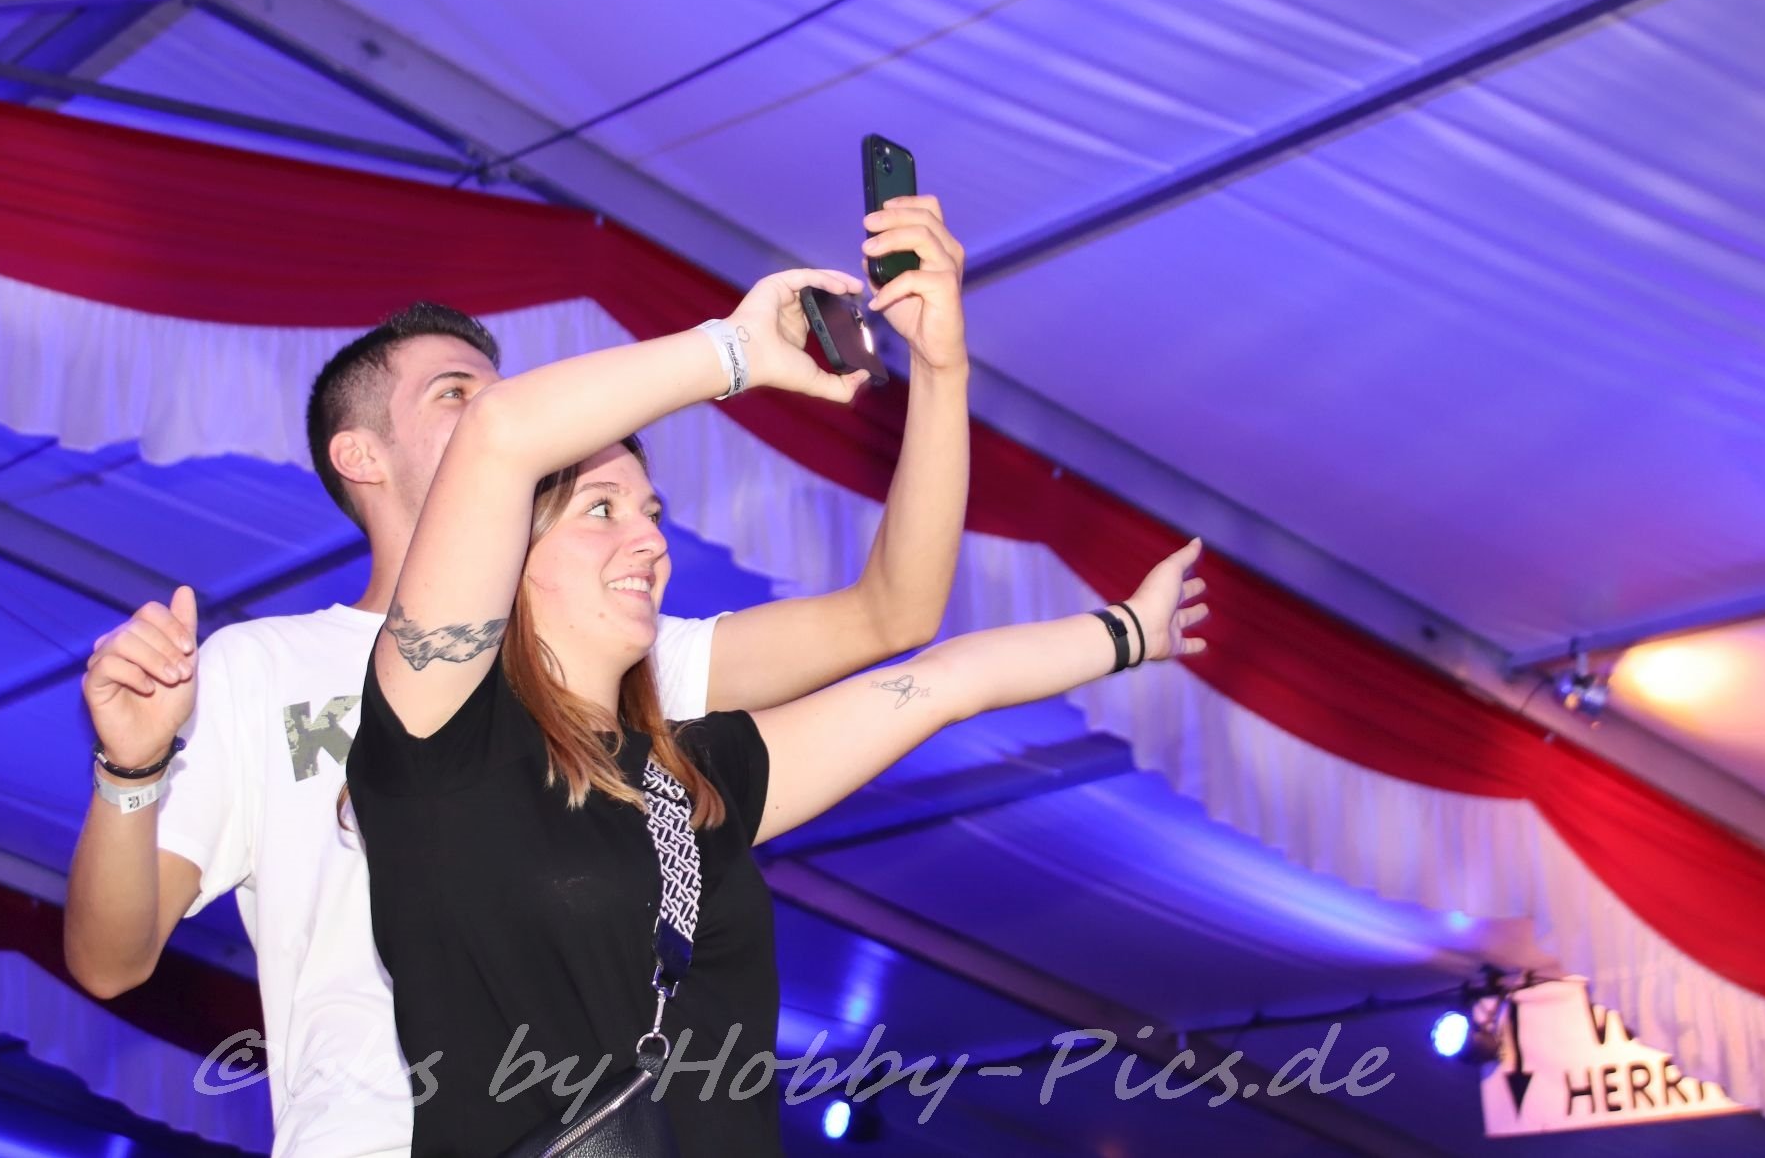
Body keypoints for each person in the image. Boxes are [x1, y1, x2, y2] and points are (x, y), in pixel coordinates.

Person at [64, 198, 974, 1157]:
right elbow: (110, 959)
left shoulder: (613, 657)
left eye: (508, 394)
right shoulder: (263, 665)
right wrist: (130, 772)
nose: (511, 413)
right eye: (455, 394)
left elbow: (893, 614)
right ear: (360, 454)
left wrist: (943, 367)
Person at [346, 266, 1209, 1155]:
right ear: (508, 560)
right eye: (601, 510)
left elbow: (941, 680)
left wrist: (1127, 631)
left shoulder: (700, 775)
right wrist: (735, 350)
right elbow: (498, 431)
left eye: (652, 512)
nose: (649, 539)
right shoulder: (436, 737)